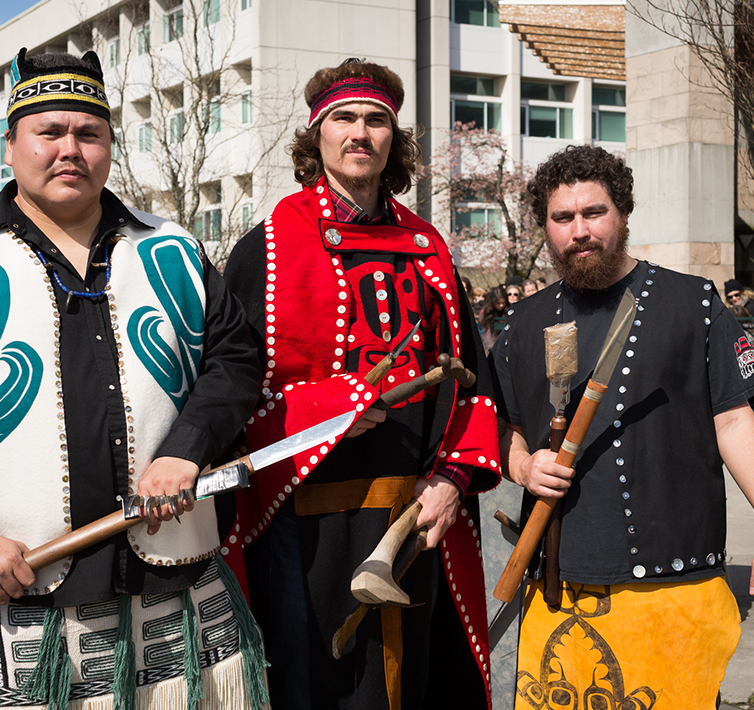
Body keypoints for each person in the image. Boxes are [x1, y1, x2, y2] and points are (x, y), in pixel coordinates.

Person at [0, 48, 268, 710]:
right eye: (48, 132)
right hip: (21, 578)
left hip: (176, 574)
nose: (69, 150)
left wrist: (185, 446)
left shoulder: (173, 248)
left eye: (88, 133)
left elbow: (235, 360)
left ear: (110, 145)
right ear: (10, 146)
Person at [224, 58, 501, 709]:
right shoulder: (265, 247)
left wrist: (453, 481)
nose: (360, 132)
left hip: (414, 509)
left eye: (376, 120)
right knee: (312, 682)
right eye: (343, 118)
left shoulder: (428, 245)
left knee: (414, 684)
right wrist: (335, 403)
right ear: (316, 135)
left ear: (393, 138)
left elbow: (471, 383)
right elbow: (226, 396)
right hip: (302, 519)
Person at [491, 144, 754, 709]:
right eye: (563, 218)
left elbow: (732, 418)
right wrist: (523, 465)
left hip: (676, 586)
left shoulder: (692, 302)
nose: (580, 230)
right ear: (545, 228)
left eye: (594, 213)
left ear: (623, 213)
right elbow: (504, 426)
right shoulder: (521, 324)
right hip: (560, 586)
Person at [478, 286, 508, 354]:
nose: (501, 306)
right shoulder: (486, 312)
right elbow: (486, 332)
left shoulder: (508, 310)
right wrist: (493, 347)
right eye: (498, 303)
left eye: (503, 303)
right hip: (491, 348)